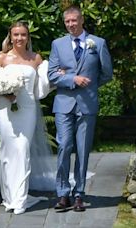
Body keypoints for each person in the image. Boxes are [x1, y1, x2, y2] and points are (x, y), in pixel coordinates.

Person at [0, 21, 52, 214]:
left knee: (22, 149)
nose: (19, 38)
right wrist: (3, 92)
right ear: (10, 36)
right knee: (7, 151)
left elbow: (44, 85)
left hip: (27, 108)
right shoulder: (1, 58)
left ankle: (20, 199)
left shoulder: (36, 58)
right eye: (16, 35)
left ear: (28, 37)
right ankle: (9, 198)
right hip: (5, 109)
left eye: (23, 35)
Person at [48, 5, 112, 212]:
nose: (71, 25)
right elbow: (51, 75)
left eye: (74, 20)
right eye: (67, 22)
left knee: (83, 151)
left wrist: (90, 86)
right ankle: (62, 193)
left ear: (82, 20)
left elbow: (107, 73)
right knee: (64, 146)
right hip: (64, 104)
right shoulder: (57, 44)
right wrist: (72, 78)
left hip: (87, 104)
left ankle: (79, 194)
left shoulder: (98, 43)